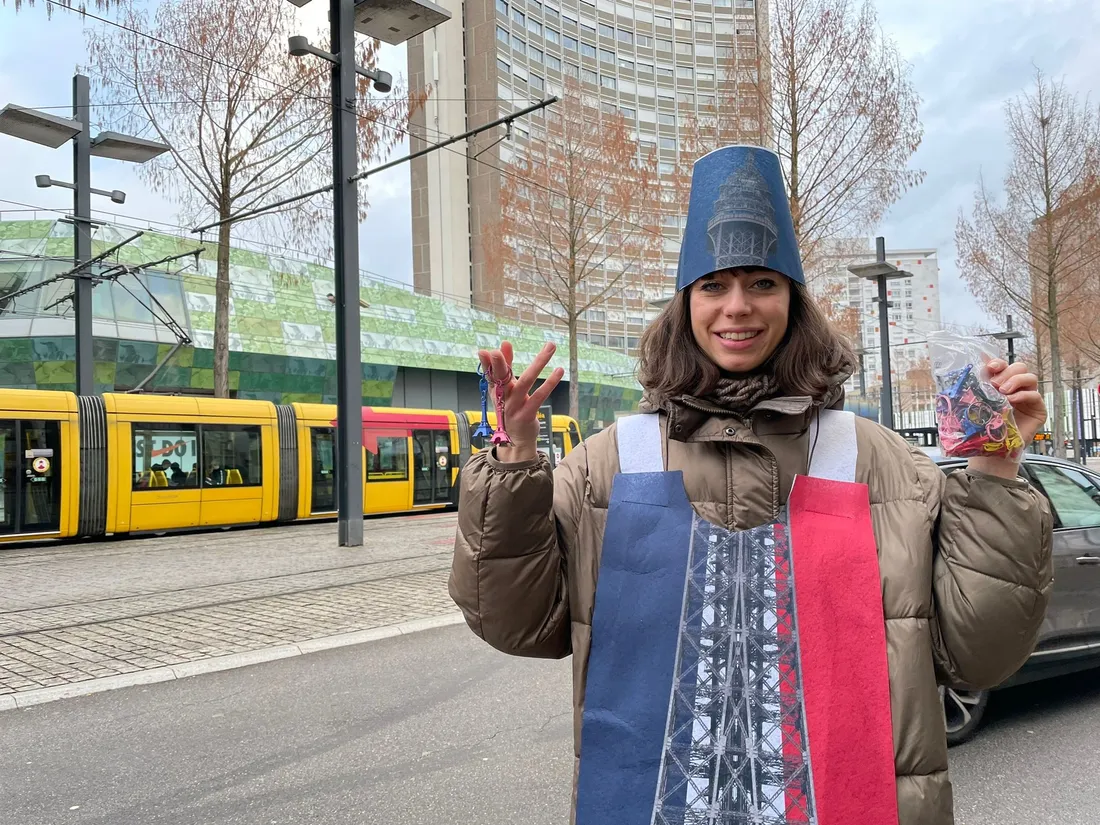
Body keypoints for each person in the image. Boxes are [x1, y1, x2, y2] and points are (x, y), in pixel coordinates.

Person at [450, 145, 1053, 825]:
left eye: (762, 282)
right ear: (686, 303)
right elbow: (516, 621)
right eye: (714, 285)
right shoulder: (611, 465)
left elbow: (982, 653)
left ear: (794, 299)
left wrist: (997, 467)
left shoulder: (878, 464)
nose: (737, 307)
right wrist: (512, 461)